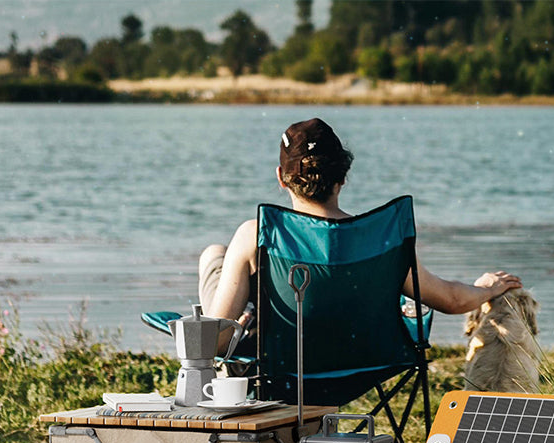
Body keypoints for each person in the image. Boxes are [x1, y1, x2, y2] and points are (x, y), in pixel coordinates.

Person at [197, 118, 520, 351]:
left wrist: (234, 328)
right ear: (344, 176)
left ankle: (248, 314)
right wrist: (487, 289)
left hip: (281, 367)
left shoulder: (256, 233)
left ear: (282, 178)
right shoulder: (382, 237)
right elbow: (451, 299)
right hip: (361, 367)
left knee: (215, 255)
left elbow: (213, 343)